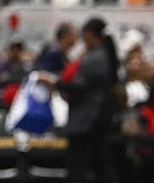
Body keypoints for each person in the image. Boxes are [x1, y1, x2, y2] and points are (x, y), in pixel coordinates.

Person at [38, 17, 120, 183]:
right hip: (92, 119)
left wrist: (54, 82)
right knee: (99, 164)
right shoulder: (98, 56)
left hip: (86, 121)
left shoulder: (96, 58)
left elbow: (79, 85)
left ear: (90, 34)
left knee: (79, 166)